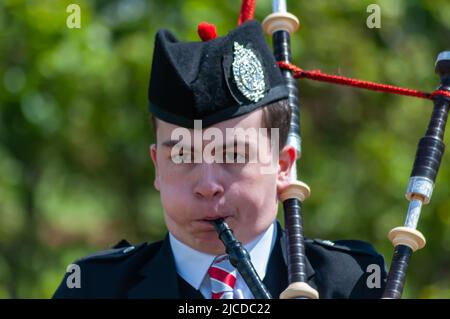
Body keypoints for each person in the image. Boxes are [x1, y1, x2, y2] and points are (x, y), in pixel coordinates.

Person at [53, 20, 387, 299]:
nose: (208, 186)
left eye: (233, 154)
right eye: (183, 155)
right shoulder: (92, 288)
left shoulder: (354, 283)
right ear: (157, 166)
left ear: (283, 165)